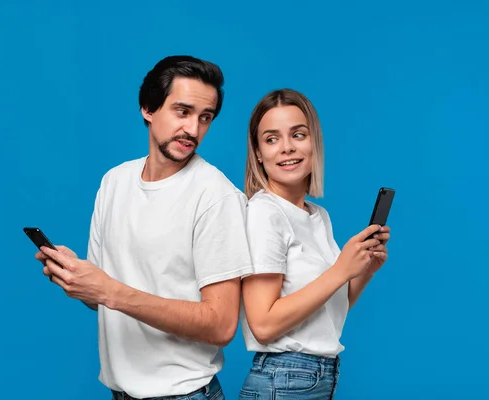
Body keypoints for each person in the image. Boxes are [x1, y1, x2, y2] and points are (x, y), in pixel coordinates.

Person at [34, 55, 253, 400]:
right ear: (148, 108)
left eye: (205, 117)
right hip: (120, 392)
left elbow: (221, 323)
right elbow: (104, 300)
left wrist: (109, 291)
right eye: (182, 112)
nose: (193, 130)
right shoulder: (114, 182)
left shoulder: (216, 196)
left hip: (184, 394)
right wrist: (80, 281)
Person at [238, 89, 391, 399]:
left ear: (314, 142)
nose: (287, 148)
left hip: (318, 377)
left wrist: (363, 270)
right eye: (271, 139)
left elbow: (327, 310)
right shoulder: (264, 213)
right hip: (283, 380)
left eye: (298, 134)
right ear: (257, 153)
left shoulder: (317, 215)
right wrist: (339, 271)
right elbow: (263, 325)